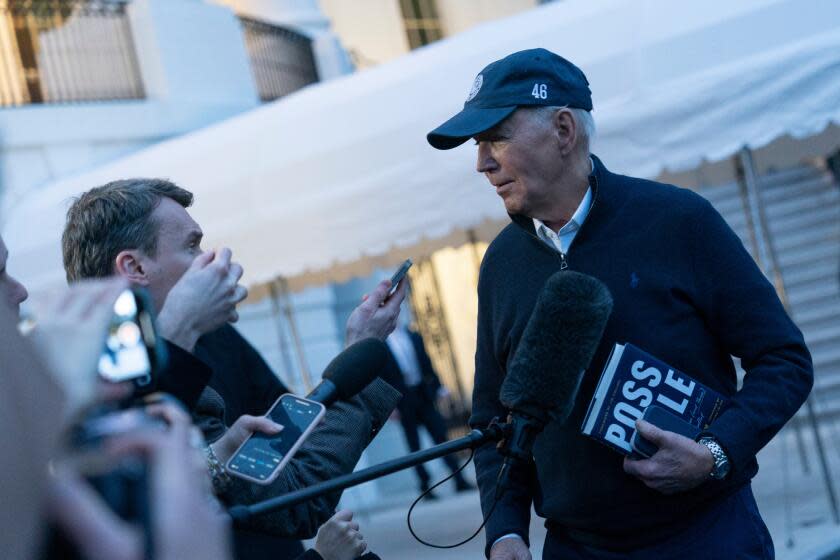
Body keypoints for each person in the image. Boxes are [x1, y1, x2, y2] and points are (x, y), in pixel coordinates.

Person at [426, 48, 813, 559]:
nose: (482, 163)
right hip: (577, 547)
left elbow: (784, 361)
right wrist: (505, 531)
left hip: (707, 536)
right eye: (478, 144)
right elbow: (493, 421)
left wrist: (715, 452)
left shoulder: (679, 221)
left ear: (564, 130)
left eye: (496, 137)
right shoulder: (501, 263)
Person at [60, 179, 405, 560]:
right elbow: (296, 498)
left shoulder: (217, 339)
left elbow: (293, 448)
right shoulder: (90, 390)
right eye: (192, 246)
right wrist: (360, 354)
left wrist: (356, 353)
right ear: (135, 266)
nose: (211, 259)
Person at [382, 322, 474, 496]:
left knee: (442, 438)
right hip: (403, 401)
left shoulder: (413, 335)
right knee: (414, 446)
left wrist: (439, 387)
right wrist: (389, 408)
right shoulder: (381, 344)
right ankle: (425, 487)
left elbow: (427, 362)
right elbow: (381, 377)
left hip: (423, 395)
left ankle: (459, 480)